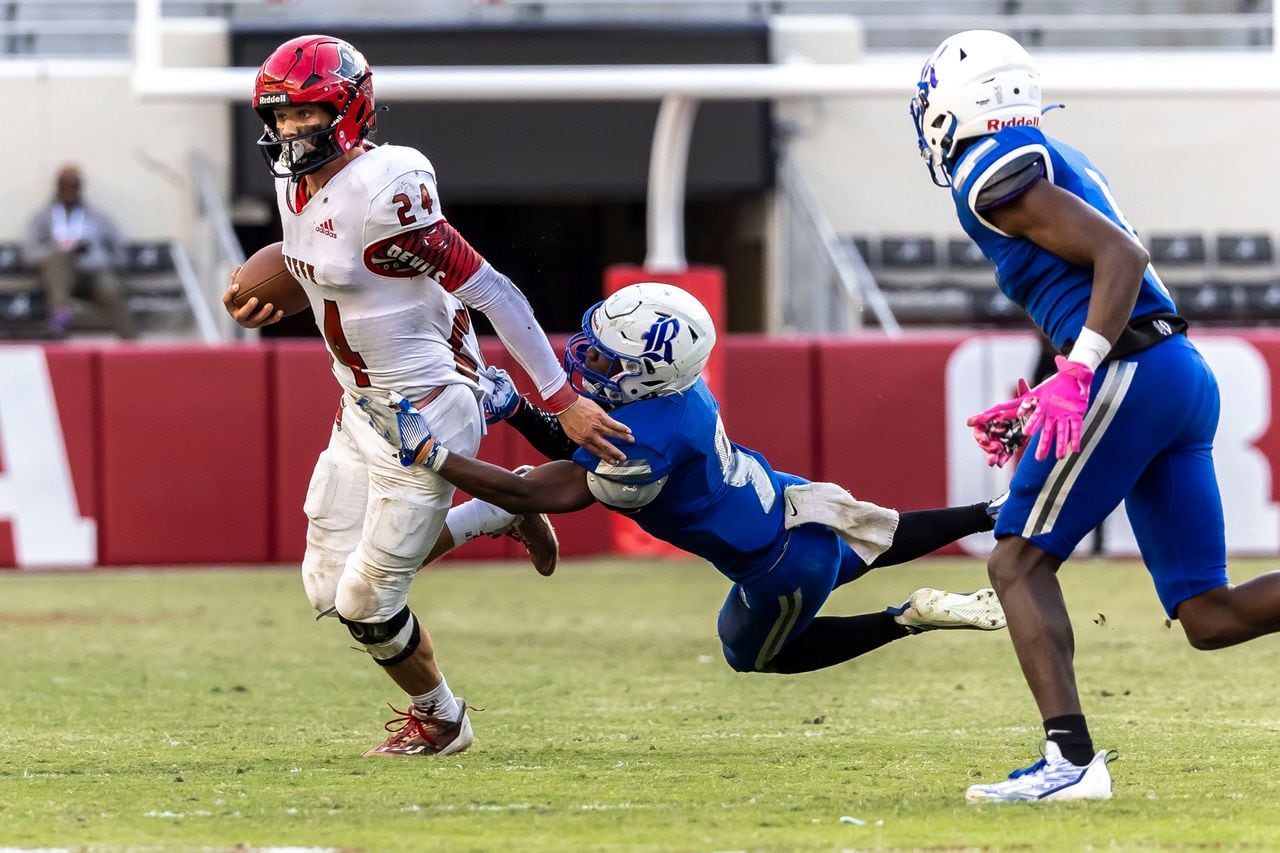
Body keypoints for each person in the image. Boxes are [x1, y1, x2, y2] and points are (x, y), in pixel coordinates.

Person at [222, 34, 630, 758]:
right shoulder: (296, 185)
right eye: (278, 117)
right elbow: (316, 266)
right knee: (327, 589)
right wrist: (273, 295)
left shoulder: (390, 192)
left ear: (349, 110)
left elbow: (495, 292)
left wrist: (561, 397)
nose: (290, 132)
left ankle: (443, 722)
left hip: (429, 402)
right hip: (362, 407)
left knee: (367, 602)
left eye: (305, 115)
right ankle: (498, 513)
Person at [912, 30, 1280, 802]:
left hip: (1130, 372)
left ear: (957, 105)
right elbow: (1089, 278)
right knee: (1209, 615)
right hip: (1169, 371)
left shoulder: (989, 171)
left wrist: (1077, 373)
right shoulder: (1053, 155)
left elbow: (1120, 258)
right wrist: (1051, 385)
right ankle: (1069, 763)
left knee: (1016, 561)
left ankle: (1070, 762)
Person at [357, 282, 1009, 688]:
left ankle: (908, 617)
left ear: (648, 372)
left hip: (779, 563)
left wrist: (431, 451)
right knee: (879, 536)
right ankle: (990, 510)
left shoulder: (647, 439)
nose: (589, 359)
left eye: (611, 358)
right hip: (793, 502)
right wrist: (522, 411)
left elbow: (539, 490)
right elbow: (582, 447)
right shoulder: (673, 393)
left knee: (752, 654)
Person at [22, 164, 135, 339]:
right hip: (59, 276)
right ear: (57, 186)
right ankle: (60, 316)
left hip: (94, 273)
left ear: (81, 186)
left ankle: (131, 344)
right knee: (59, 258)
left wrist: (96, 256)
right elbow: (29, 254)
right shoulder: (42, 218)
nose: (70, 189)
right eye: (64, 184)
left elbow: (121, 255)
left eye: (74, 184)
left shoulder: (99, 217)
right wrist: (60, 250)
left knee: (111, 289)